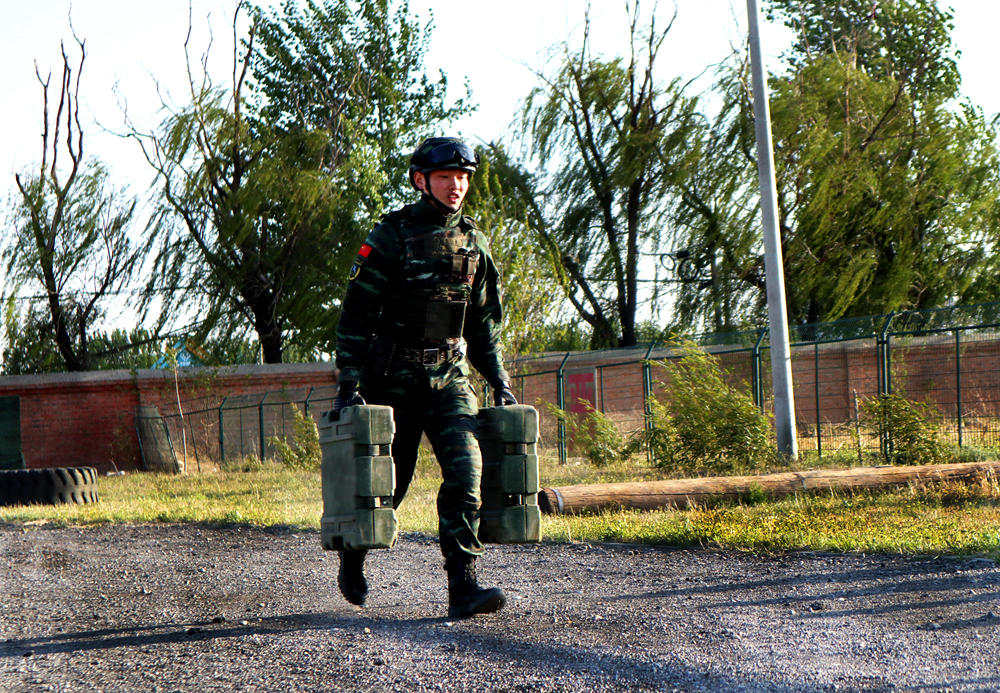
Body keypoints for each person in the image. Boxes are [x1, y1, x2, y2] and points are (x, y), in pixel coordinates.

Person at [332, 137, 518, 618]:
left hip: (450, 378)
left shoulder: (474, 242)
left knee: (467, 473)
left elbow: (482, 323)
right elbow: (357, 315)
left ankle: (464, 587)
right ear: (421, 180)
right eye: (445, 177)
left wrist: (498, 378)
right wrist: (349, 384)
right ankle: (355, 555)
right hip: (394, 380)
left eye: (462, 177)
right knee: (389, 485)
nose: (456, 185)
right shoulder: (391, 236)